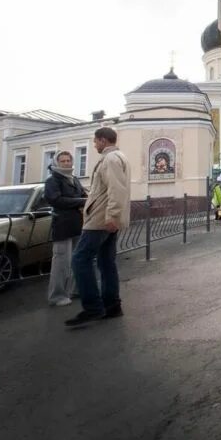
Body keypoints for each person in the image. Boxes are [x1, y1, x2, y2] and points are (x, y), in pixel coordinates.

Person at [66, 127, 131, 327]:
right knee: (105, 262)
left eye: (95, 141)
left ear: (103, 140)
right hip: (106, 218)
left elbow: (116, 190)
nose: (94, 145)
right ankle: (112, 305)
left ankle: (93, 307)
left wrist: (111, 216)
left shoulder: (110, 159)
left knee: (79, 260)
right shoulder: (119, 157)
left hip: (100, 220)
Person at [44, 150, 87, 307]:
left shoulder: (74, 179)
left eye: (68, 160)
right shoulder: (52, 181)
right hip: (62, 226)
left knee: (78, 260)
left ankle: (76, 290)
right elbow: (56, 200)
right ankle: (57, 296)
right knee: (61, 262)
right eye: (63, 161)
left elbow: (83, 195)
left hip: (77, 224)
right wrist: (80, 201)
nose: (66, 163)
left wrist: (85, 200)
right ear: (57, 163)